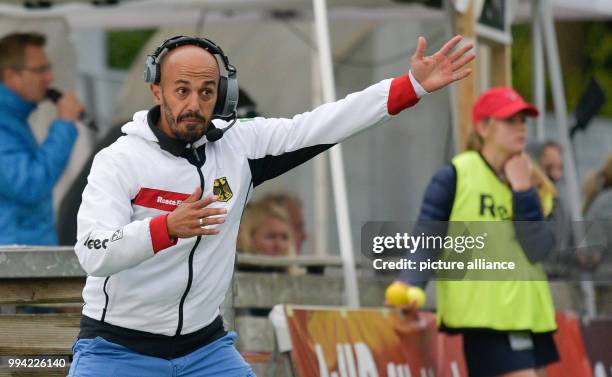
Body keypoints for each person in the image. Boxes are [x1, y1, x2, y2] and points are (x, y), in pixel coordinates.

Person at [69, 34, 474, 376]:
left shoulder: (240, 144)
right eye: (182, 90)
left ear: (222, 93)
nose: (195, 103)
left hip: (203, 350)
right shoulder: (118, 160)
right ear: (156, 90)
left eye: (207, 91)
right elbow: (92, 252)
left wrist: (411, 86)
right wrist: (165, 228)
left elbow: (324, 123)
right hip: (117, 349)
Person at [392, 87, 559, 377]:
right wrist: (411, 283)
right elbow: (428, 236)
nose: (520, 127)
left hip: (530, 318)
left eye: (523, 120)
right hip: (487, 321)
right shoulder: (456, 175)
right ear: (483, 127)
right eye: (510, 120)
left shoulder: (534, 182)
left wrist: (523, 191)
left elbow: (539, 249)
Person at [0, 32, 83, 245]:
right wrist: (64, 124)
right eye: (40, 70)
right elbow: (29, 184)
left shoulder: (13, 117)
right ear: (11, 76)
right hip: (12, 257)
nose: (49, 78)